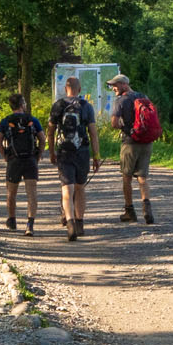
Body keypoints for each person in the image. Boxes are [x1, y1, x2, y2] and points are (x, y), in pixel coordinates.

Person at [46, 75, 100, 242]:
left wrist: (52, 152)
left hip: (64, 151)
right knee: (80, 188)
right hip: (82, 151)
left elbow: (50, 131)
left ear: (65, 89)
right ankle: (80, 223)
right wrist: (96, 155)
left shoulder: (58, 105)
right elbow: (93, 133)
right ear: (80, 89)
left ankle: (69, 224)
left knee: (66, 189)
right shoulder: (86, 106)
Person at [106, 72, 158, 224]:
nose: (113, 88)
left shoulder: (121, 100)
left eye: (115, 85)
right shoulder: (144, 97)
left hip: (130, 142)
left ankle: (130, 211)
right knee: (142, 177)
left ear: (124, 84)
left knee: (127, 177)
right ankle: (147, 208)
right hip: (147, 142)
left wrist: (125, 127)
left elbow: (114, 124)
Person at [0, 92, 42, 234]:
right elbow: (43, 138)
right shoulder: (32, 120)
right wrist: (38, 155)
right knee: (31, 193)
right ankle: (30, 225)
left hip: (14, 160)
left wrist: (5, 155)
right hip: (30, 160)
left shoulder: (5, 121)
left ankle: (12, 220)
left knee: (11, 192)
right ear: (22, 105)